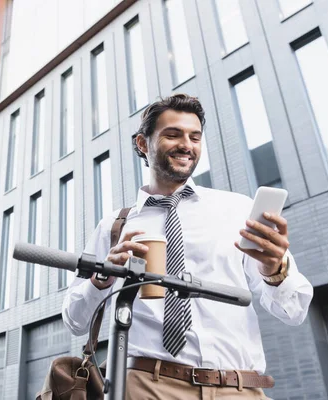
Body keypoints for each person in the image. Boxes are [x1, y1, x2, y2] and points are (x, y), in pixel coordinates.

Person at [62, 94, 313, 399]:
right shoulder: (115, 226)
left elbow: (295, 310)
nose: (186, 144)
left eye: (194, 136)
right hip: (147, 385)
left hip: (237, 387)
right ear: (143, 144)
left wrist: (275, 271)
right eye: (173, 134)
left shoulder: (236, 210)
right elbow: (75, 321)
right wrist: (102, 279)